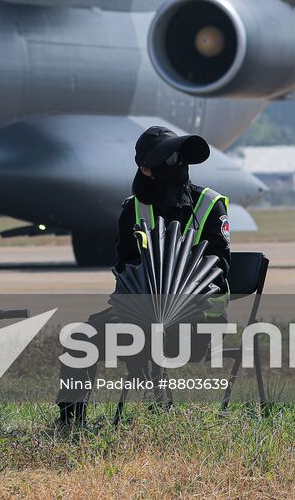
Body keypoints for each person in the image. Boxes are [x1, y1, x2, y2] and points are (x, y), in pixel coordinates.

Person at [57, 125, 232, 429]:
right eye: (169, 163)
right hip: (139, 314)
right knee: (82, 336)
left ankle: (160, 412)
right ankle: (71, 420)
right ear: (146, 170)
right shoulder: (133, 209)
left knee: (145, 334)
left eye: (180, 162)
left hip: (200, 320)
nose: (178, 169)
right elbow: (124, 270)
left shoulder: (209, 205)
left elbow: (218, 271)